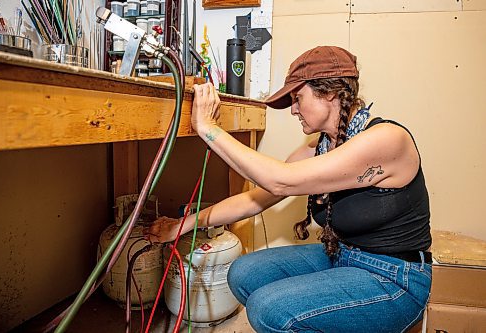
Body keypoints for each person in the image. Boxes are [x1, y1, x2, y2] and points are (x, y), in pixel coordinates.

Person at [145, 45, 432, 332]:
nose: (294, 110)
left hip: (394, 277)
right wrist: (183, 225)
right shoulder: (319, 146)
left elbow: (279, 178)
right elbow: (257, 197)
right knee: (244, 272)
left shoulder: (387, 139)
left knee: (268, 309)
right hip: (342, 256)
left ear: (330, 92)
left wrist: (208, 128)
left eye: (298, 98)